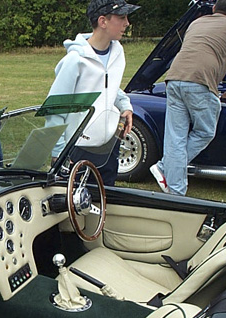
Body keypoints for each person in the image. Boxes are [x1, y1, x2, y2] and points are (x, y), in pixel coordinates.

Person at [149, 0, 226, 196]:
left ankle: (174, 186)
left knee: (175, 138)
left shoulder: (197, 22)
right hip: (200, 81)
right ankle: (166, 170)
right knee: (205, 132)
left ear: (213, 9)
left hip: (174, 78)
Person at [46, 0, 139, 186]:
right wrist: (58, 154)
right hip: (77, 150)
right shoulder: (75, 60)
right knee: (74, 210)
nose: (127, 23)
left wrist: (125, 106)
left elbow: (108, 85)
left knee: (106, 205)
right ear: (103, 21)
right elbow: (55, 109)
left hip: (109, 147)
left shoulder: (117, 53)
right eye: (121, 17)